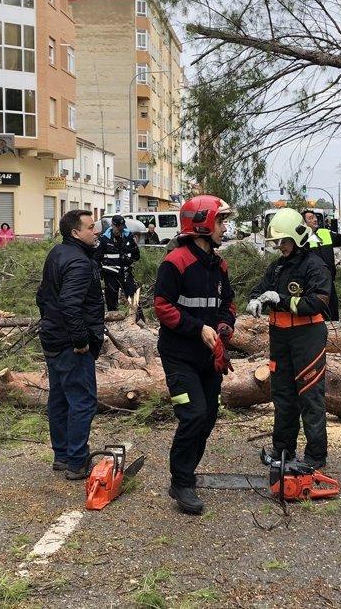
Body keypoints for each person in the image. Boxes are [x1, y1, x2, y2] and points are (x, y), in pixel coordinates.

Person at [153, 196, 237, 515]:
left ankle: (187, 473)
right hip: (179, 355)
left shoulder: (219, 265)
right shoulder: (175, 262)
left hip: (208, 357)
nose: (224, 227)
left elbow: (228, 303)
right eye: (220, 221)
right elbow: (163, 307)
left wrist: (225, 325)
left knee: (209, 417)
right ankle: (181, 481)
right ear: (203, 223)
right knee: (193, 414)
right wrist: (197, 328)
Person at [245, 208, 333, 470]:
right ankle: (283, 449)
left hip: (307, 337)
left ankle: (316, 457)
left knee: (310, 396)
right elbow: (260, 288)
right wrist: (255, 298)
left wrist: (281, 300)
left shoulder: (314, 266)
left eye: (284, 241)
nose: (280, 246)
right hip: (280, 337)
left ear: (297, 238)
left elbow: (317, 301)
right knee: (283, 395)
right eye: (278, 242)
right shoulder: (278, 267)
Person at [35, 210, 105, 480]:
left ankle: (62, 455)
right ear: (75, 233)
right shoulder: (79, 263)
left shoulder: (58, 252)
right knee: (82, 400)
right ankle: (76, 461)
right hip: (69, 343)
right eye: (90, 227)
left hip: (53, 337)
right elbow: (69, 304)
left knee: (60, 398)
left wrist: (49, 324)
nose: (96, 231)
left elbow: (42, 296)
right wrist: (80, 341)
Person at [301, 209, 341, 321]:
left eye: (315, 217)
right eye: (310, 218)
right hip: (312, 285)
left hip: (329, 282)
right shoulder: (302, 239)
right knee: (315, 315)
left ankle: (335, 335)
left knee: (332, 314)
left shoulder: (325, 233)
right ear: (304, 222)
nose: (315, 219)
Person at [97, 215, 141, 311]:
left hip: (125, 272)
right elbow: (97, 258)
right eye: (117, 227)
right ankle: (113, 319)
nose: (119, 230)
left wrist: (135, 247)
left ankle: (138, 318)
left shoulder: (128, 236)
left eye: (121, 227)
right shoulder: (104, 239)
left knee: (133, 297)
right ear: (112, 225)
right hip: (110, 274)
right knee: (111, 299)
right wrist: (100, 272)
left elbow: (136, 257)